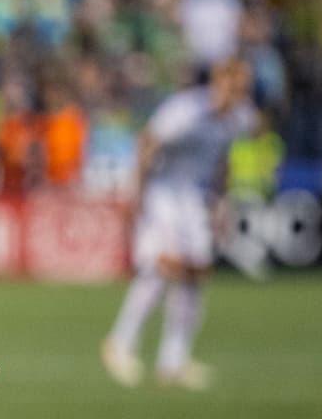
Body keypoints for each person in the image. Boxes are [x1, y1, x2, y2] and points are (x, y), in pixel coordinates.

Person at [101, 58, 254, 390]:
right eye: (233, 85)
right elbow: (147, 142)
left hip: (192, 196)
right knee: (165, 266)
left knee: (197, 270)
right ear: (217, 81)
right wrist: (136, 193)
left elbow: (223, 160)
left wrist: (220, 203)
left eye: (243, 87)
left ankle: (174, 360)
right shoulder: (186, 110)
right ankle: (120, 342)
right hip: (162, 190)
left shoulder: (238, 118)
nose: (237, 93)